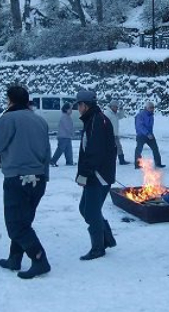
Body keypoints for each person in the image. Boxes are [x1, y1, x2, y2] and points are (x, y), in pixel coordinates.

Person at [0, 85, 51, 279]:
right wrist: (45, 176)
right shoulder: (40, 121)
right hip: (38, 177)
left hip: (17, 177)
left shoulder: (8, 119)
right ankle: (15, 258)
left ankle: (39, 259)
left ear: (10, 100)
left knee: (16, 223)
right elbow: (46, 151)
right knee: (24, 220)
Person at [74, 89, 118, 260]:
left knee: (91, 211)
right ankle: (106, 237)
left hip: (98, 175)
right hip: (97, 173)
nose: (78, 108)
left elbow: (94, 152)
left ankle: (98, 247)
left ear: (85, 105)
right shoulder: (94, 119)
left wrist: (84, 173)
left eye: (79, 105)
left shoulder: (97, 121)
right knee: (85, 208)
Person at [134, 101, 165, 169]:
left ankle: (158, 163)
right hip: (141, 135)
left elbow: (150, 126)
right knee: (139, 150)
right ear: (146, 108)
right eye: (151, 108)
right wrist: (147, 133)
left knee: (155, 149)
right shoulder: (140, 115)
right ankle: (137, 165)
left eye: (153, 107)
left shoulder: (151, 115)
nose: (152, 109)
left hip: (150, 135)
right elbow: (140, 126)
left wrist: (150, 134)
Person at [104, 100, 129, 165]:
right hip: (108, 135)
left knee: (118, 147)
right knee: (108, 149)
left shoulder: (114, 113)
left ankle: (122, 160)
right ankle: (107, 161)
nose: (116, 108)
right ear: (111, 106)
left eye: (117, 107)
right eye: (115, 107)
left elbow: (121, 116)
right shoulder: (107, 113)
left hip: (115, 134)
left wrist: (121, 109)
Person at [50, 103, 76, 167]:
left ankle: (69, 161)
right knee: (60, 149)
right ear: (66, 109)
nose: (71, 111)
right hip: (63, 136)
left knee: (68, 150)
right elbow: (67, 127)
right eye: (70, 109)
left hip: (67, 136)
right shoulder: (64, 117)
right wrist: (72, 133)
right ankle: (53, 161)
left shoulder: (67, 116)